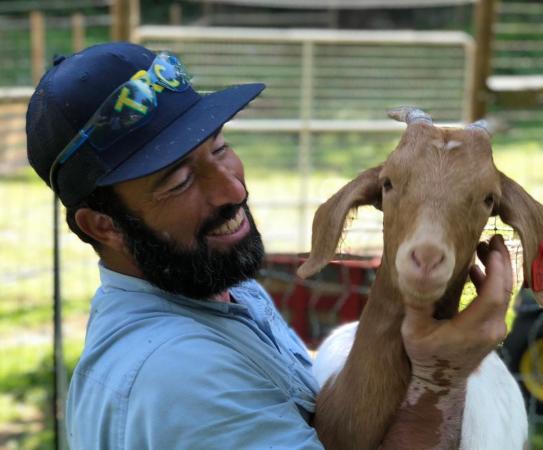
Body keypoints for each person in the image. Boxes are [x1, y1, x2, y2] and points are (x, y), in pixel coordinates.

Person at [26, 42, 513, 450]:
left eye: (219, 148)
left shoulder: (216, 291)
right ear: (103, 226)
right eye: (177, 182)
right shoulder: (181, 379)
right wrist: (440, 379)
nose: (232, 190)